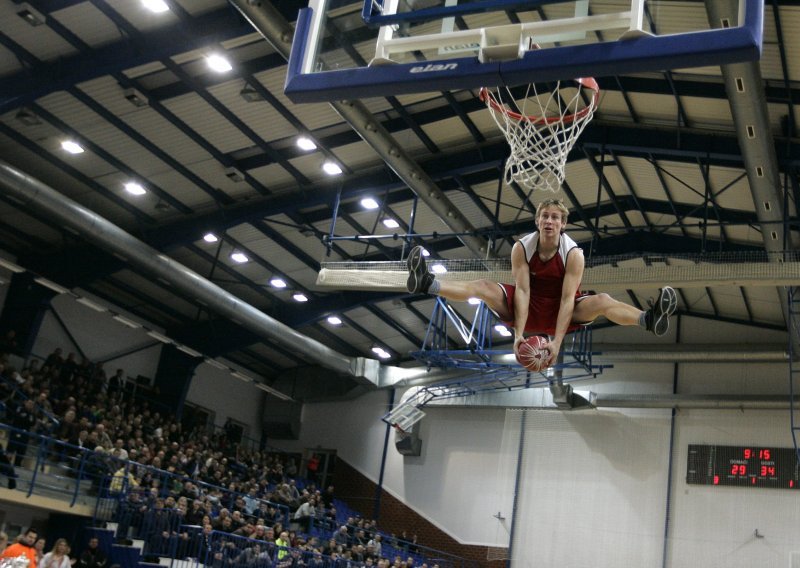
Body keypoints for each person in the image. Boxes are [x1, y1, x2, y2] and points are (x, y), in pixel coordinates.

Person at [405, 198, 677, 367]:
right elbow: (522, 290)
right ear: (537, 221)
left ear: (563, 224)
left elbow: (568, 299)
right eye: (545, 216)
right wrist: (518, 334)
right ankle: (427, 283)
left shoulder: (573, 255)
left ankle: (648, 320)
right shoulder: (522, 248)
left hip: (562, 310)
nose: (549, 220)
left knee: (603, 301)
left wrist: (557, 343)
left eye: (555, 217)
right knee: (483, 286)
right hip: (526, 306)